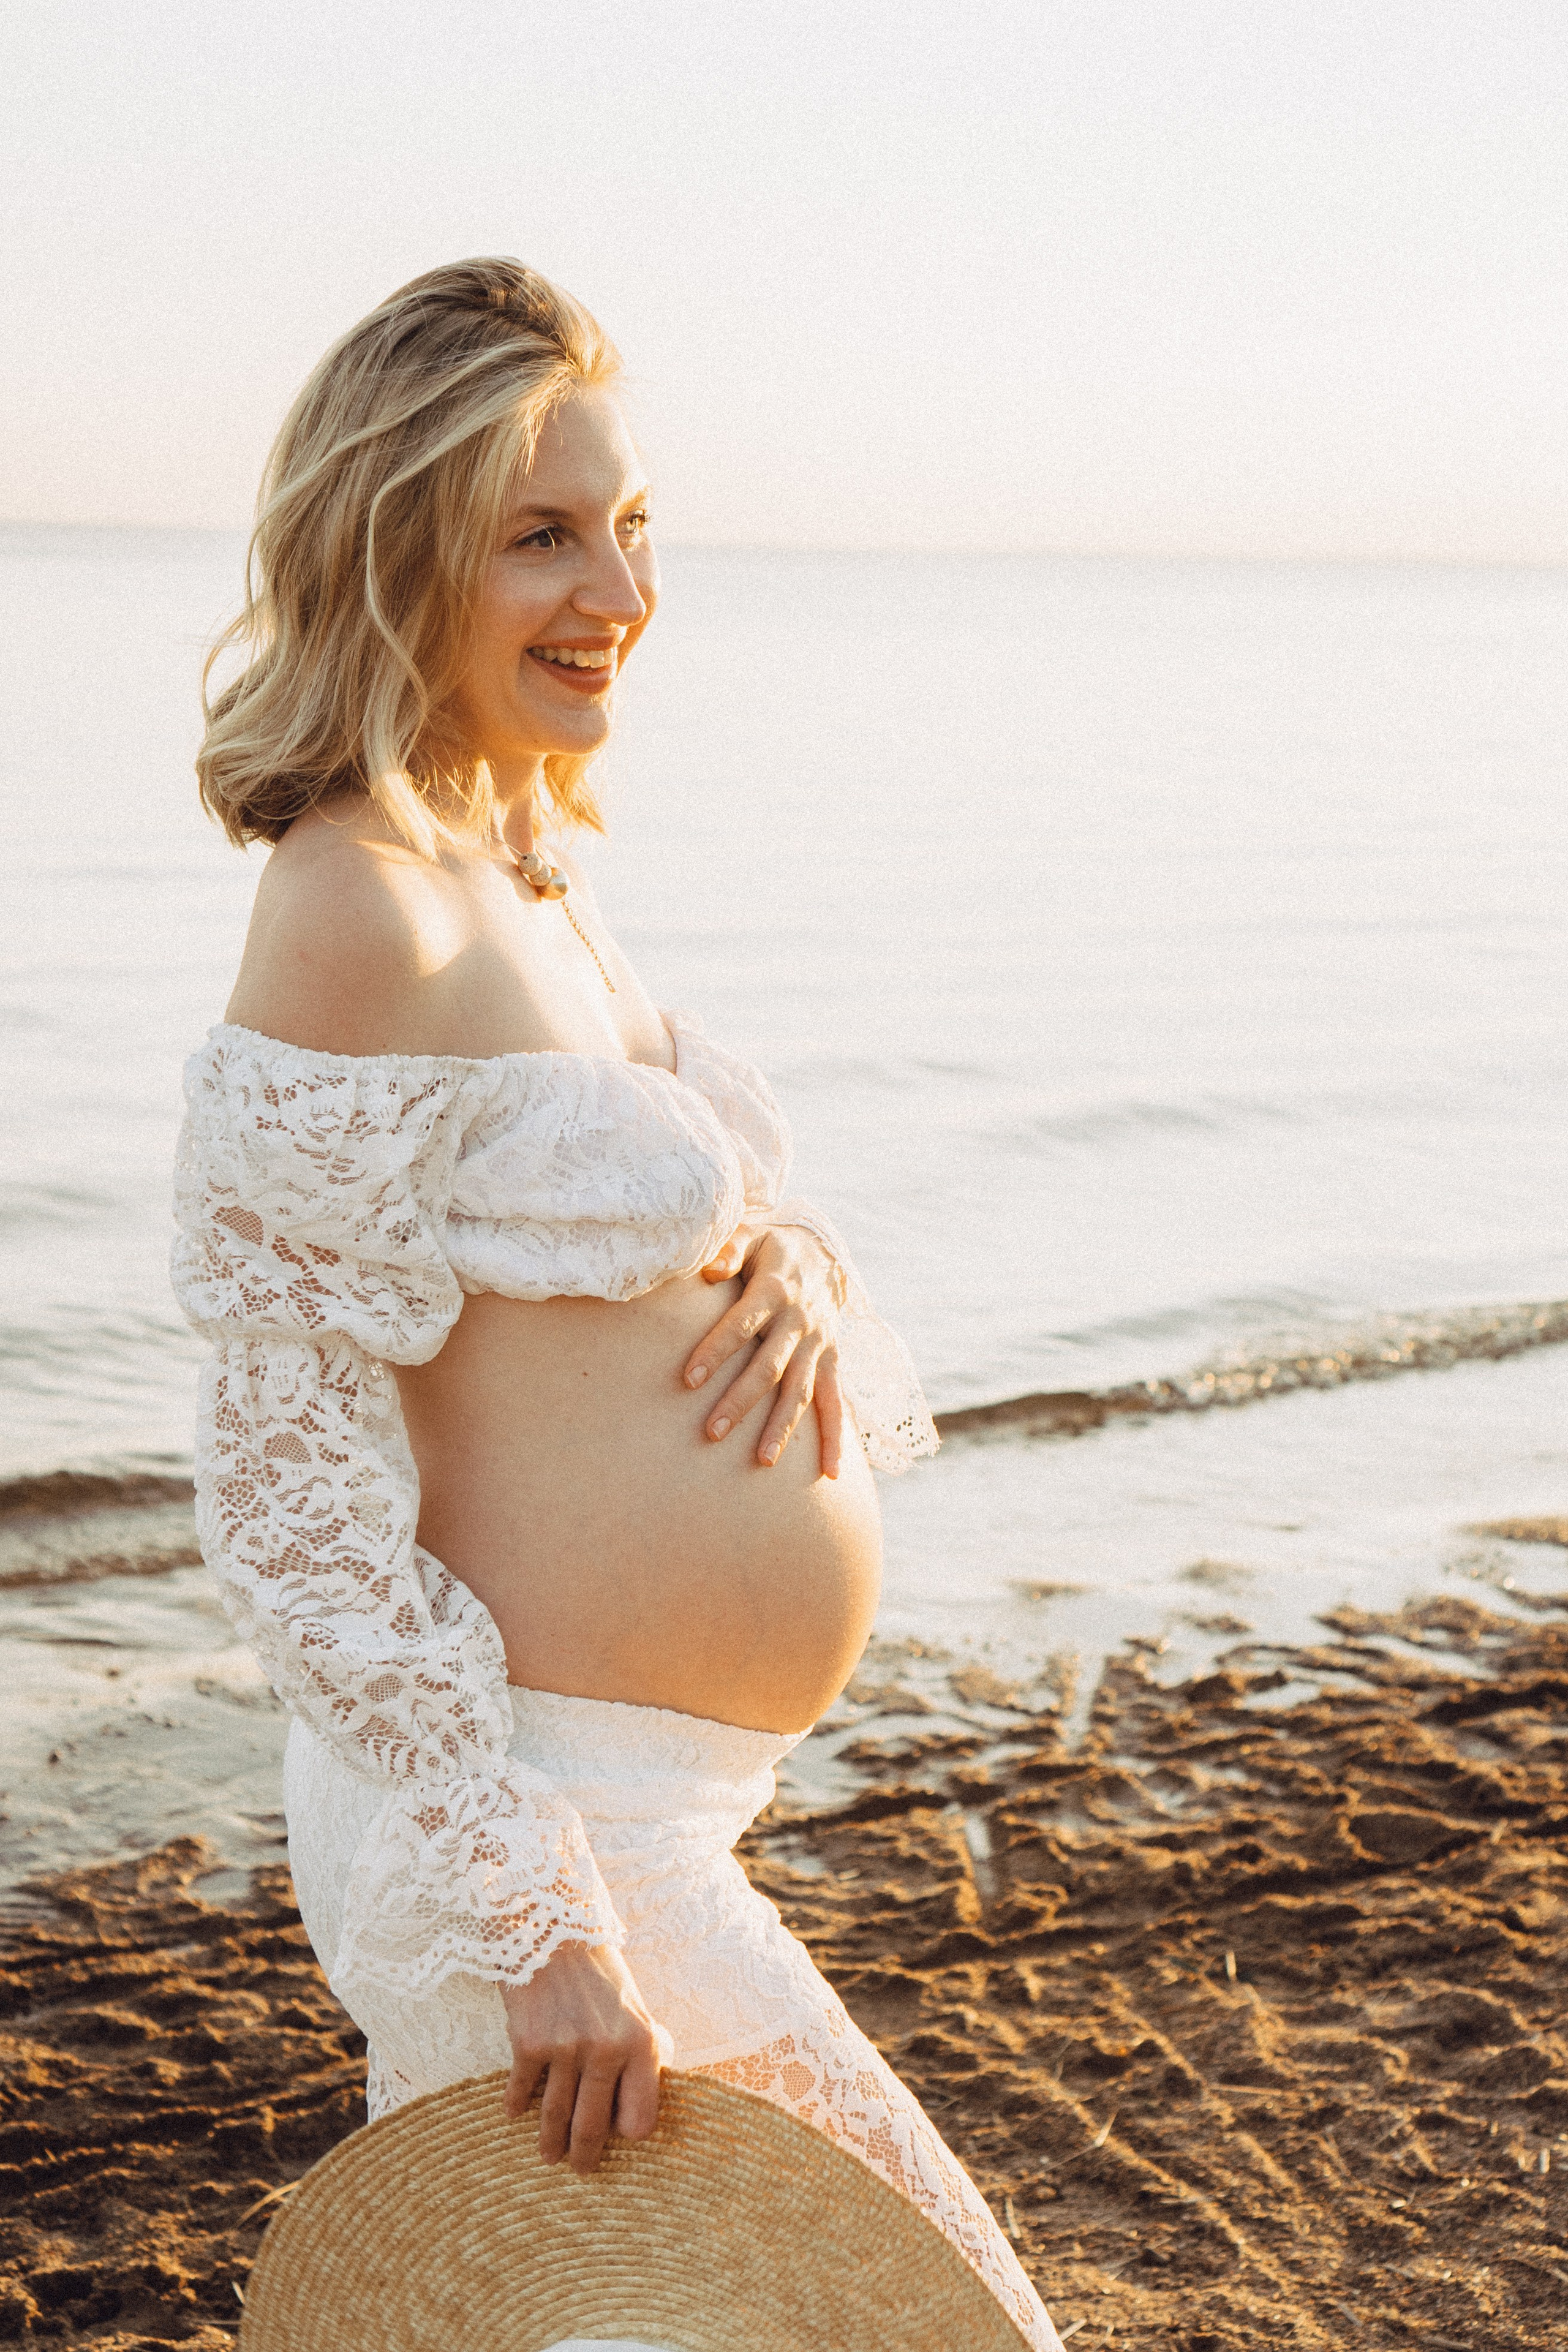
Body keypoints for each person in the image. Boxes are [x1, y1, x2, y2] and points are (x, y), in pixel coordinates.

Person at [172, 258, 1061, 2351]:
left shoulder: (528, 871)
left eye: (632, 521)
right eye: (543, 532)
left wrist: (799, 1277)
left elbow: (690, 1214)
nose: (620, 587)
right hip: (534, 1837)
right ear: (396, 555)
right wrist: (534, 1918)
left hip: (636, 1817)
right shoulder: (352, 906)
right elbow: (294, 1509)